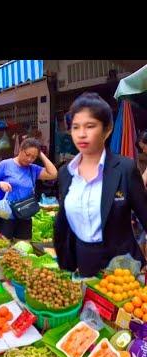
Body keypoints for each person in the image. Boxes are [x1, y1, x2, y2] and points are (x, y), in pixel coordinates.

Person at [54, 92, 147, 277]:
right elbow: (64, 223)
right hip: (83, 264)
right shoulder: (65, 173)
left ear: (107, 129)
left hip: (122, 269)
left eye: (90, 126)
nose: (81, 134)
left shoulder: (125, 168)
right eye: (75, 127)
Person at [0, 138, 58, 240]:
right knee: (2, 248)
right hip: (6, 215)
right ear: (20, 150)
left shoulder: (33, 169)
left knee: (23, 248)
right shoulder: (5, 165)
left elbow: (53, 174)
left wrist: (41, 154)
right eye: (27, 154)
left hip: (25, 215)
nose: (29, 159)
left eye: (33, 157)